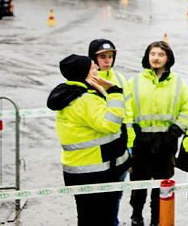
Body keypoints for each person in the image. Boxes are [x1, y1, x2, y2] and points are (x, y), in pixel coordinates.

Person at [47, 54, 130, 226]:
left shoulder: (70, 94)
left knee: (87, 218)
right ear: (84, 73)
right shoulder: (86, 99)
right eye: (93, 67)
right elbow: (110, 124)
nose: (98, 68)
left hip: (79, 171)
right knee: (102, 219)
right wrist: (115, 93)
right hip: (97, 172)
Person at [128, 41, 188, 226]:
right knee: (138, 184)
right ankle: (136, 215)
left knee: (161, 184)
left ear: (168, 59)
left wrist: (174, 133)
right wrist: (134, 136)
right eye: (153, 54)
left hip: (166, 142)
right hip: (141, 142)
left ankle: (158, 218)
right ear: (147, 57)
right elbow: (126, 111)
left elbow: (187, 110)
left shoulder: (178, 83)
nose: (156, 58)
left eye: (161, 55)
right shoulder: (134, 82)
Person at [87, 39, 130, 226]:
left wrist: (130, 145)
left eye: (110, 56)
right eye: (102, 57)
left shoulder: (119, 79)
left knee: (114, 198)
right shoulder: (87, 81)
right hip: (95, 154)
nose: (107, 61)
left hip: (119, 149)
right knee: (93, 204)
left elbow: (128, 112)